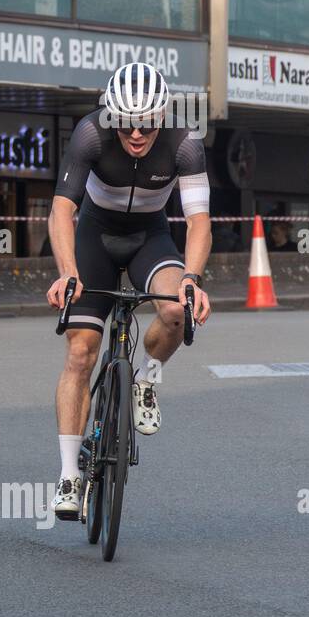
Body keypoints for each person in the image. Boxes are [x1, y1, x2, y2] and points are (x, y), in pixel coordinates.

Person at [46, 63, 212, 517]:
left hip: (149, 238)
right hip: (94, 237)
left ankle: (145, 380)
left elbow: (198, 222)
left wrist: (193, 280)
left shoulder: (186, 143)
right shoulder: (89, 135)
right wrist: (67, 272)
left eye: (146, 124)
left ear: (162, 116)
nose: (136, 134)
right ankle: (67, 476)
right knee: (81, 352)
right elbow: (62, 211)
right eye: (125, 124)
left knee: (178, 310)